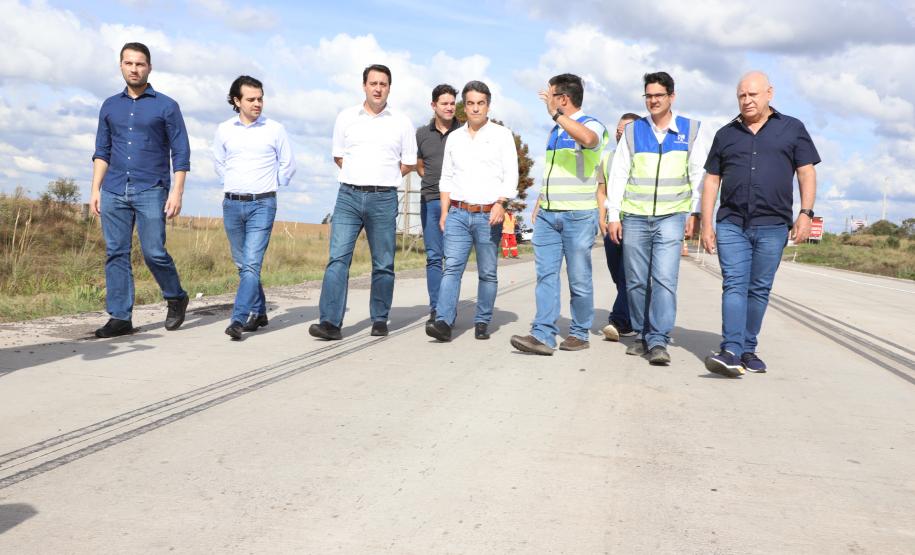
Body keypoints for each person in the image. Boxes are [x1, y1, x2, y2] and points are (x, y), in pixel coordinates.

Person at [702, 71, 819, 377]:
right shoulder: (725, 134)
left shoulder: (792, 129)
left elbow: (806, 172)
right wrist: (705, 223)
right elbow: (712, 180)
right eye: (742, 95)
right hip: (731, 222)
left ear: (769, 93)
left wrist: (806, 213)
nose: (747, 100)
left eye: (753, 94)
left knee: (759, 288)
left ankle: (747, 349)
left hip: (773, 224)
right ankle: (730, 349)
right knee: (734, 284)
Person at [606, 72, 708, 365]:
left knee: (664, 279)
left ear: (671, 97)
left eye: (659, 96)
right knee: (636, 281)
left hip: (672, 216)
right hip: (635, 216)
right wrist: (614, 214)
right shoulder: (633, 131)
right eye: (648, 96)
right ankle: (642, 334)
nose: (653, 101)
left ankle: (659, 339)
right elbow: (619, 174)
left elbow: (698, 173)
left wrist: (695, 212)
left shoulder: (690, 130)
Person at [90, 42, 190, 338]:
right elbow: (101, 150)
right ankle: (120, 317)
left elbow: (181, 152)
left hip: (151, 189)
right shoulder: (110, 105)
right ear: (121, 65)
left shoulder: (166, 106)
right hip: (113, 189)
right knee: (116, 252)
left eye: (140, 64)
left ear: (149, 67)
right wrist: (95, 189)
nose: (134, 69)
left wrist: (177, 192)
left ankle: (175, 296)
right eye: (129, 63)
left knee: (154, 251)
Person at [309, 64, 417, 341]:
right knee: (337, 259)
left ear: (389, 88)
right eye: (373, 83)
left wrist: (382, 177)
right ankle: (330, 322)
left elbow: (408, 163)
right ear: (364, 86)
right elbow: (338, 156)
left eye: (383, 84)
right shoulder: (346, 117)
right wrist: (360, 176)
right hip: (348, 197)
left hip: (384, 198)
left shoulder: (402, 122)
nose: (378, 88)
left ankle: (380, 318)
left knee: (383, 262)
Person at [510, 73, 608, 355]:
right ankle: (542, 334)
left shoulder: (591, 125)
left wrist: (556, 115)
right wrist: (541, 199)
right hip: (549, 215)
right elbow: (555, 170)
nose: (545, 99)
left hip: (578, 216)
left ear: (563, 99)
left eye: (550, 95)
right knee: (546, 275)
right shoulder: (556, 131)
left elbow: (589, 140)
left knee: (578, 278)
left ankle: (579, 332)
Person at [425, 81, 517, 342]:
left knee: (487, 271)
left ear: (488, 105)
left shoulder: (502, 135)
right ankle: (443, 321)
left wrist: (501, 202)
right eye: (470, 103)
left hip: (489, 215)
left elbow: (511, 173)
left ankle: (482, 321)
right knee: (451, 268)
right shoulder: (455, 137)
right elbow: (446, 177)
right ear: (464, 105)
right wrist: (444, 212)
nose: (475, 108)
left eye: (481, 103)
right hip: (457, 212)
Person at [213, 75, 296, 340]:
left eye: (260, 98)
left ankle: (238, 319)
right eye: (251, 99)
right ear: (237, 101)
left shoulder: (275, 129)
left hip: (262, 203)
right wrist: (232, 183)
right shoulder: (224, 129)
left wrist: (273, 184)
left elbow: (288, 163)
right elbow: (219, 162)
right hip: (232, 204)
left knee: (251, 264)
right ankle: (259, 312)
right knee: (243, 264)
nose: (257, 103)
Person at [416, 84, 460, 323]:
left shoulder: (464, 132)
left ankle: (448, 307)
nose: (449, 107)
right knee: (434, 257)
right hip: (430, 200)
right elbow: (419, 164)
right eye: (444, 103)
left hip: (457, 204)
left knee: (452, 259)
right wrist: (433, 181)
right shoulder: (421, 134)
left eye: (452, 103)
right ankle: (436, 308)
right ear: (433, 105)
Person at [596, 112, 640, 341]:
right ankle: (633, 315)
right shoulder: (607, 158)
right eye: (618, 128)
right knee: (617, 274)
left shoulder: (642, 157)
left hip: (634, 224)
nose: (620, 132)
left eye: (626, 129)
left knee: (627, 274)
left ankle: (619, 320)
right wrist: (601, 219)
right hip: (610, 225)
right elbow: (601, 191)